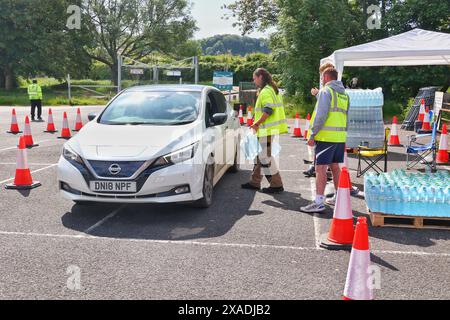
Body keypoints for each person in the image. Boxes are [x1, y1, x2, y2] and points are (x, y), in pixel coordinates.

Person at [300, 65, 349, 213]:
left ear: (326, 77)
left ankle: (319, 202)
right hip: (339, 137)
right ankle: (339, 197)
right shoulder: (344, 95)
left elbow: (321, 116)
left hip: (326, 137)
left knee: (320, 169)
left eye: (322, 77)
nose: (321, 80)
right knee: (335, 167)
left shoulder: (326, 91)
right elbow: (346, 117)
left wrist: (312, 135)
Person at [241, 68, 288, 194]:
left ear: (260, 77)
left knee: (264, 158)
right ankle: (255, 182)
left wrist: (256, 123)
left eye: (254, 77)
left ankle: (276, 184)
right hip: (267, 130)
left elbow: (268, 110)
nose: (253, 80)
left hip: (266, 130)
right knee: (260, 157)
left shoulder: (266, 91)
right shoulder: (270, 89)